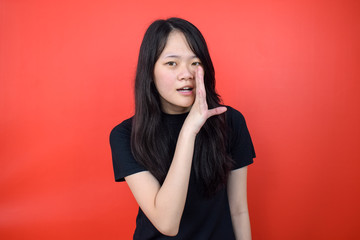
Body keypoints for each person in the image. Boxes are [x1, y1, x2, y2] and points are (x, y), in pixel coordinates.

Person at [110, 17, 255, 240]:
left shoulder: (230, 121)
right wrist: (189, 131)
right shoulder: (126, 135)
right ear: (150, 72)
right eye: (172, 63)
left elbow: (238, 209)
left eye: (195, 62)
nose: (186, 73)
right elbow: (167, 223)